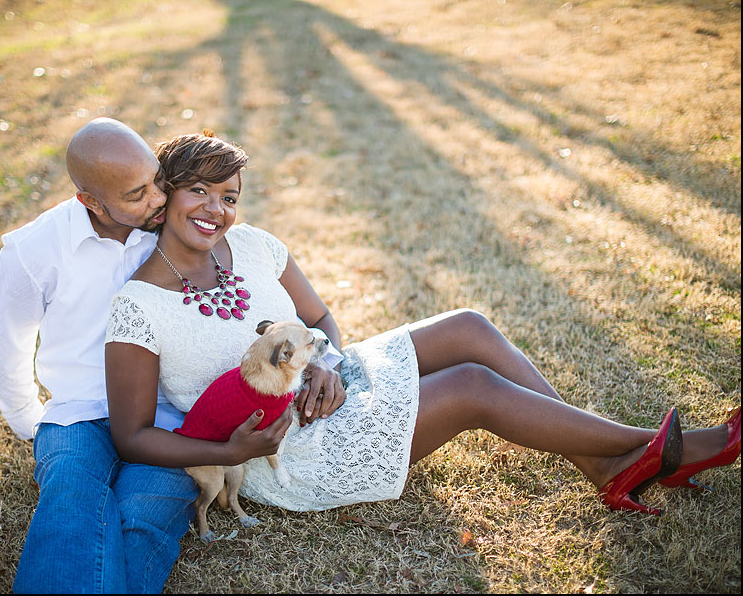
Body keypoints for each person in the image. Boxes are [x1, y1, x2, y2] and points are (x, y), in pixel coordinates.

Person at [104, 132, 740, 519]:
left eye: (231, 196)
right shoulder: (138, 305)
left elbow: (319, 318)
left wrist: (326, 359)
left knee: (467, 325)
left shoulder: (257, 247)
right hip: (283, 450)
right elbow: (132, 435)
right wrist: (229, 452)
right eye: (200, 192)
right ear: (165, 197)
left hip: (330, 388)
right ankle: (651, 451)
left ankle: (610, 466)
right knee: (470, 387)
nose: (217, 210)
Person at [0, 118, 302, 593]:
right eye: (137, 194)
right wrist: (33, 426)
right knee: (72, 504)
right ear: (92, 201)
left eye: (157, 181)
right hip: (81, 415)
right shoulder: (34, 252)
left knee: (143, 520)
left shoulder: (166, 224)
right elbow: (8, 352)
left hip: (168, 421)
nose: (157, 199)